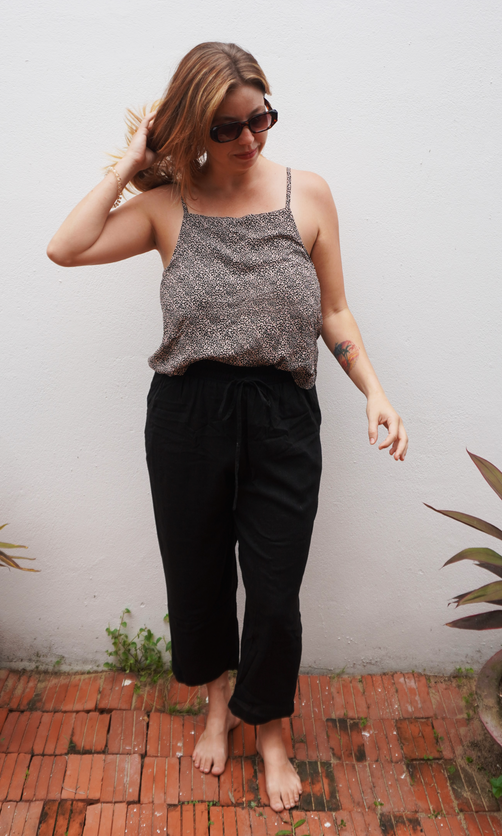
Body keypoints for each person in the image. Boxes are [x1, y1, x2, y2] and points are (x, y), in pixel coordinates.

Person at [47, 41, 408, 812]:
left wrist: (374, 390)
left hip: (280, 414)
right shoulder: (164, 205)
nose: (249, 140)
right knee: (201, 579)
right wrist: (133, 159)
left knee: (274, 590)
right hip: (186, 414)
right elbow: (64, 248)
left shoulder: (306, 195)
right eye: (227, 128)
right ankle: (216, 708)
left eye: (262, 118)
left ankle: (269, 727)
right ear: (189, 130)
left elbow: (332, 310)